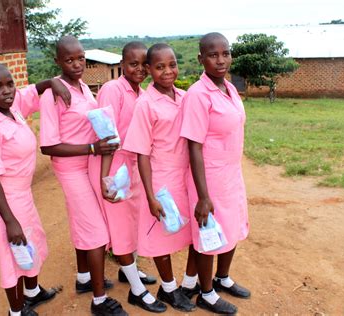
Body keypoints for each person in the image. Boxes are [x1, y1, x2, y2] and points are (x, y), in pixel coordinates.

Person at [0, 62, 71, 316]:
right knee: (11, 255)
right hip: (1, 201)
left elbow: (32, 90)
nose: (6, 91)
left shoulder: (11, 108)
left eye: (9, 83)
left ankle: (32, 292)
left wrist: (51, 82)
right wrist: (10, 221)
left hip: (21, 195)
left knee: (31, 242)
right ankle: (16, 312)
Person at [39, 36, 127, 316]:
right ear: (58, 61)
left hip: (88, 165)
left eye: (80, 58)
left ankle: (84, 279)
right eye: (69, 60)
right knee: (96, 232)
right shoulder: (53, 94)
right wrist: (91, 147)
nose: (77, 64)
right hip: (71, 169)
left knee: (82, 224)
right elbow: (48, 145)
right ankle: (99, 301)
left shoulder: (84, 88)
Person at [87, 41, 166, 313]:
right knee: (120, 229)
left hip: (131, 166)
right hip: (114, 166)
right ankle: (137, 290)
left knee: (132, 224)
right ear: (122, 64)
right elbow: (106, 136)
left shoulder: (141, 92)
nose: (140, 69)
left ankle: (128, 272)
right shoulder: (113, 90)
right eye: (133, 64)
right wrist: (105, 179)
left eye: (144, 64)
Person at [122, 43, 197, 313]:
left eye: (172, 64)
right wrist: (151, 196)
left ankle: (190, 283)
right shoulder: (145, 104)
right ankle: (169, 289)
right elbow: (142, 153)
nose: (168, 71)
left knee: (192, 232)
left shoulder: (186, 96)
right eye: (160, 67)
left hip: (186, 176)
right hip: (160, 179)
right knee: (161, 236)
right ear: (149, 70)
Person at [180, 32, 251, 314]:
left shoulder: (229, 88)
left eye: (225, 53)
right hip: (208, 177)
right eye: (213, 55)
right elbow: (193, 147)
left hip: (231, 174)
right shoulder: (198, 95)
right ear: (201, 59)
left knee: (232, 226)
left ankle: (222, 278)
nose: (221, 60)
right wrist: (203, 196)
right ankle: (205, 293)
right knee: (209, 234)